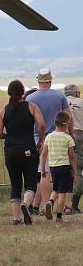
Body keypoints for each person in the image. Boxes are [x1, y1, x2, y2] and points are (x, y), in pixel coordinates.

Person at [0, 79, 45, 225]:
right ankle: (26, 204)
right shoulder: (31, 107)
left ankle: (16, 218)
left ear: (9, 93)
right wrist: (41, 139)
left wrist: (7, 136)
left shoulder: (4, 110)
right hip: (28, 148)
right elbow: (41, 124)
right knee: (30, 183)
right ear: (23, 92)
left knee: (15, 184)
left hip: (10, 150)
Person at [27, 68, 73, 213]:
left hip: (39, 138)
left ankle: (48, 203)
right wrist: (71, 134)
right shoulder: (59, 96)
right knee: (63, 171)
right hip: (59, 135)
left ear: (38, 81)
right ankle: (64, 204)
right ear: (50, 80)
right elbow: (68, 117)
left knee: (44, 172)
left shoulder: (30, 98)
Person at [40, 111, 77, 223]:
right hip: (65, 167)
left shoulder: (49, 137)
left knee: (56, 189)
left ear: (55, 123)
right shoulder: (68, 138)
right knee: (62, 193)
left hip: (53, 168)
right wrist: (74, 170)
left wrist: (42, 169)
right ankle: (59, 217)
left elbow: (44, 154)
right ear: (66, 124)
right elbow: (72, 157)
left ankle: (50, 202)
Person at [65, 85, 83, 213]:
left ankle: (62, 203)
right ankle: (74, 205)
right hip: (79, 136)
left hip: (61, 137)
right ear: (76, 93)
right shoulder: (82, 102)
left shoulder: (62, 102)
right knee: (79, 170)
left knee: (63, 170)